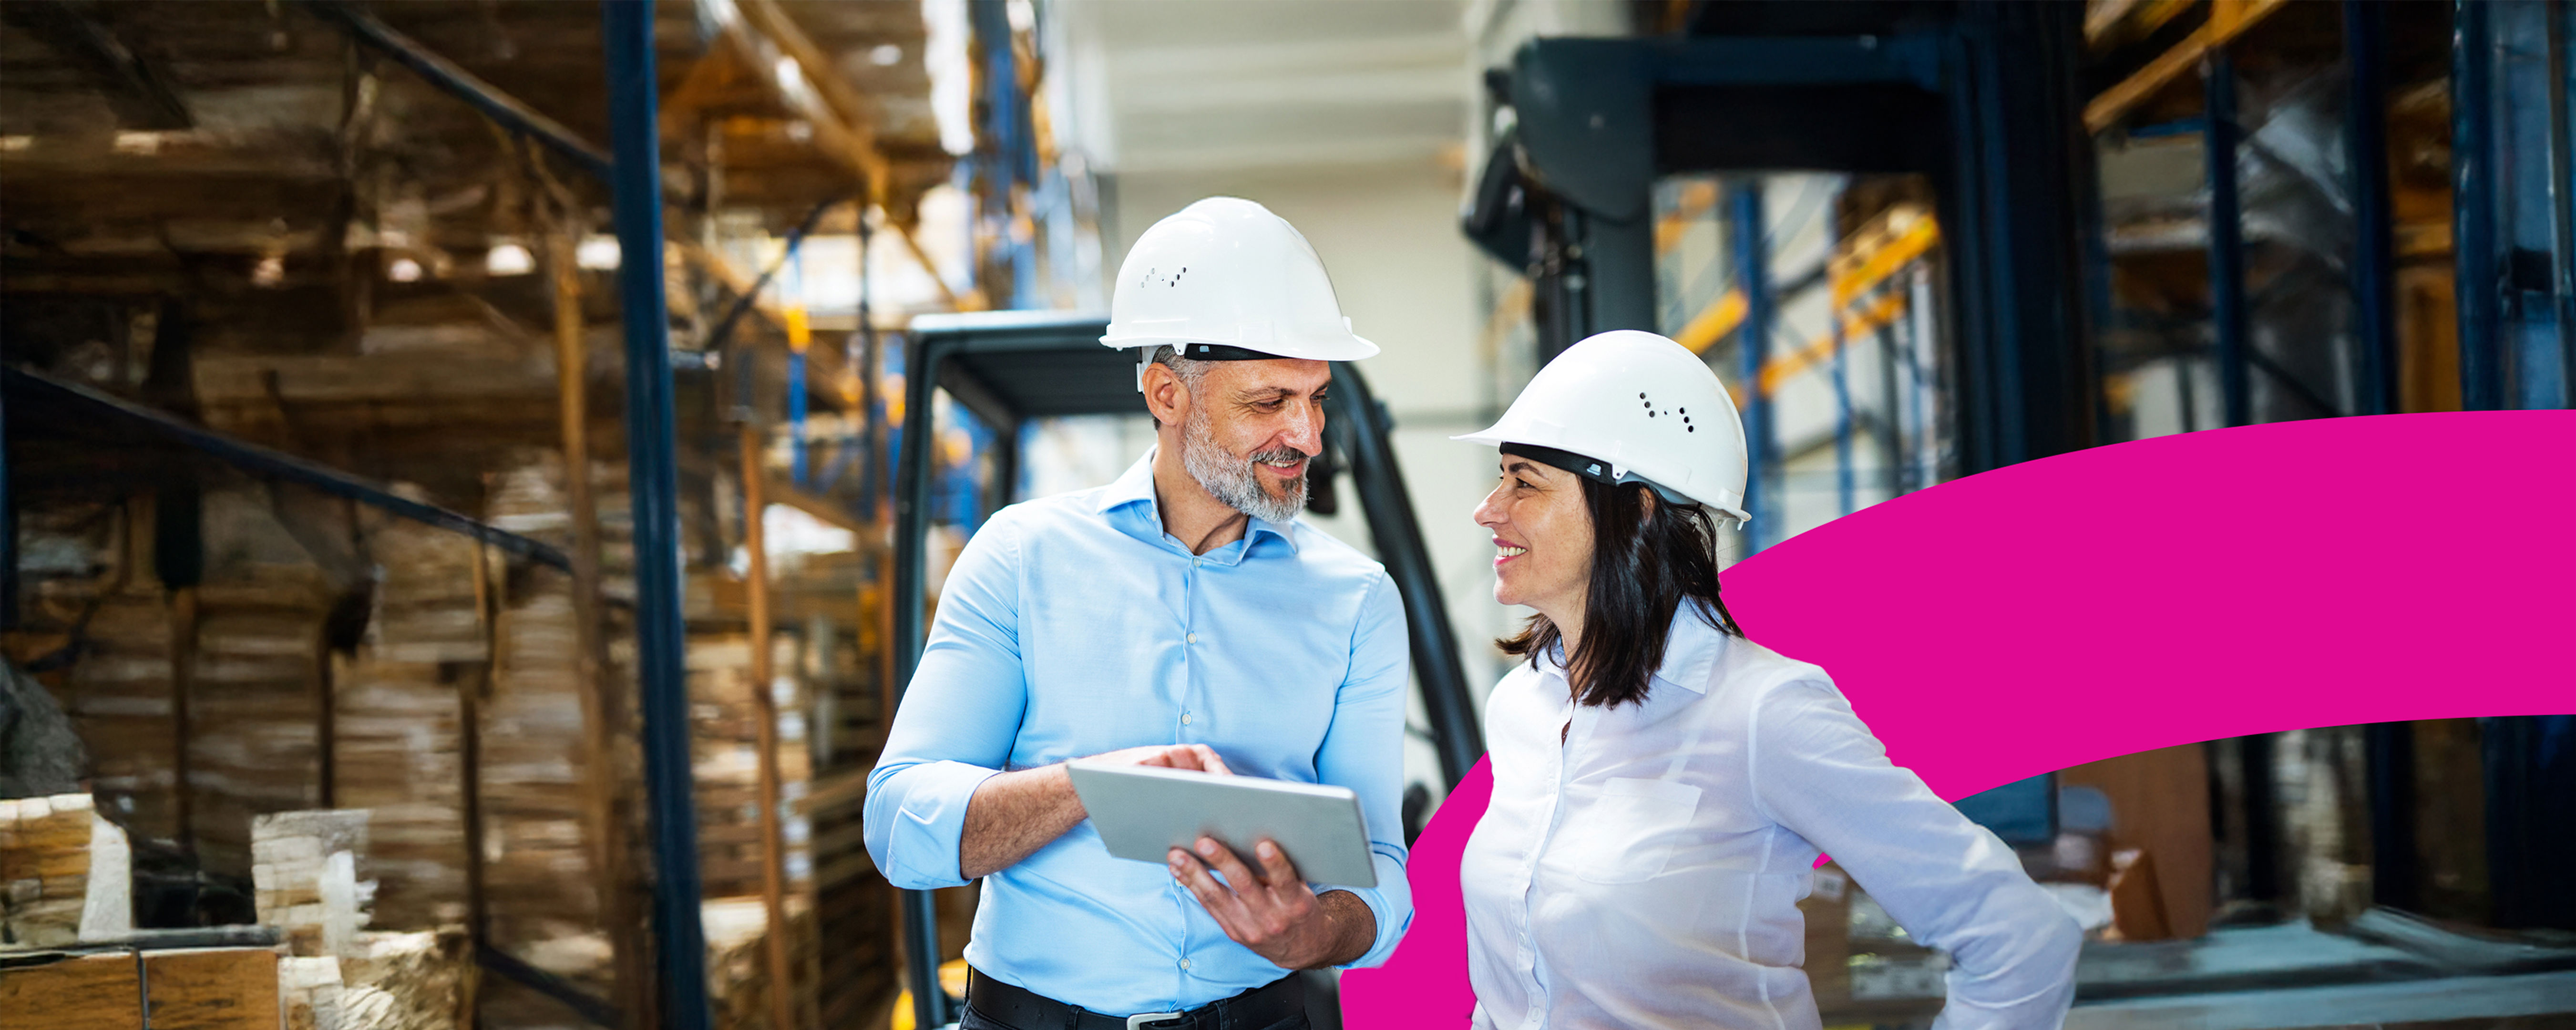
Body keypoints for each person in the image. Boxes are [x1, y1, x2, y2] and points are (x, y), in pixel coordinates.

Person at [864, 197, 1413, 1030]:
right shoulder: (1021, 558)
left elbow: (1381, 869)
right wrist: (1095, 788)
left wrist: (1319, 930)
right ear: (1167, 394)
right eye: (1269, 402)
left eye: (1317, 397)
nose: (1306, 434)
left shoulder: (1357, 601)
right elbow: (903, 825)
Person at [1452, 330, 2081, 1030]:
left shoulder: (1761, 712)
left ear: (1635, 509)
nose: (1489, 508)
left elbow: (2021, 938)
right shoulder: (1524, 706)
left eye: (1523, 481)